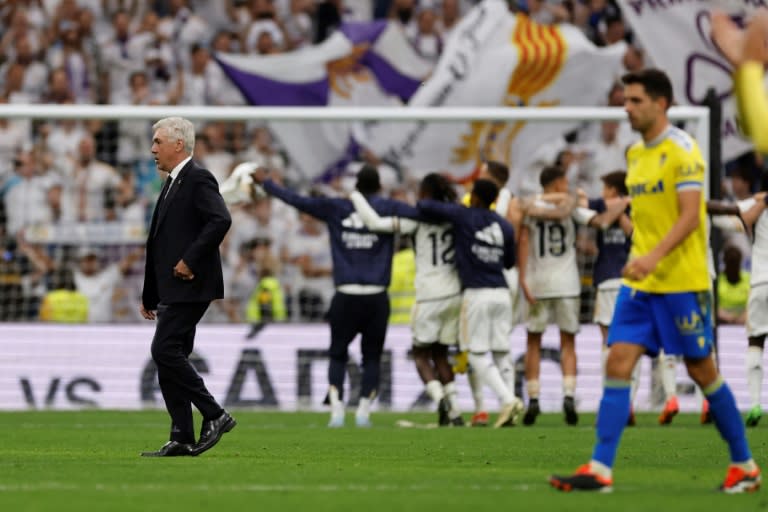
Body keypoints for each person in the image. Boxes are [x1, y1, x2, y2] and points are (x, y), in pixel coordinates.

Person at [550, 69, 760, 493]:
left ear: (660, 103)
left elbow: (689, 216)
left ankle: (745, 464)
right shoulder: (633, 155)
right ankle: (600, 468)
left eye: (635, 101)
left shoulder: (684, 152)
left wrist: (652, 257)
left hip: (681, 281)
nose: (627, 108)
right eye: (625, 100)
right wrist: (639, 258)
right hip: (640, 284)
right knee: (617, 362)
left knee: (703, 371)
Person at [254, 164, 405, 428]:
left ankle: (336, 410)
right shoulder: (389, 208)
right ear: (380, 187)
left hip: (345, 296)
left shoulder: (337, 207)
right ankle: (363, 413)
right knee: (371, 357)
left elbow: (297, 200)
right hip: (376, 297)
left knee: (337, 354)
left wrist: (267, 183)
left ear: (355, 187)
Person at [139, 116, 235, 458]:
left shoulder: (197, 177)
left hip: (192, 283)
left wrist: (191, 260)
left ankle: (215, 414)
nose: (153, 149)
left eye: (158, 142)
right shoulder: (172, 182)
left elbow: (221, 219)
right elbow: (160, 242)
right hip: (172, 287)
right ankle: (181, 434)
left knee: (164, 351)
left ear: (178, 145)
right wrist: (150, 292)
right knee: (171, 357)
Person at [350, 173, 465, 426]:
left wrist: (356, 197)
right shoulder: (457, 220)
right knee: (442, 354)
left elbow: (375, 223)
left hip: (429, 294)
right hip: (455, 294)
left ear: (425, 195)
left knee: (421, 354)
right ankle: (455, 410)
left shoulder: (415, 222)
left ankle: (440, 400)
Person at [418, 179, 524, 428]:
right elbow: (509, 262)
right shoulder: (505, 226)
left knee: (475, 354)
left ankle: (508, 400)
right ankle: (509, 413)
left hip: (477, 293)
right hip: (502, 292)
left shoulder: (463, 216)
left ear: (475, 196)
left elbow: (424, 205)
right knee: (501, 352)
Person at [517, 166, 601, 426]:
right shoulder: (570, 206)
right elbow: (595, 220)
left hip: (537, 282)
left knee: (533, 342)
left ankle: (533, 399)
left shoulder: (530, 207)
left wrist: (523, 279)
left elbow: (523, 241)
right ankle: (568, 394)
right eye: (564, 181)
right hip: (567, 283)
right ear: (555, 183)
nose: (566, 185)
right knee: (568, 343)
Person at [585, 171, 638, 424]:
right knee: (627, 341)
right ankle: (627, 402)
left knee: (609, 341)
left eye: (606, 189)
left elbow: (633, 234)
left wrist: (621, 209)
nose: (602, 193)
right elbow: (587, 207)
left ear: (614, 190)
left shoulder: (632, 208)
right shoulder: (606, 204)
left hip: (612, 279)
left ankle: (615, 400)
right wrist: (621, 205)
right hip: (626, 281)